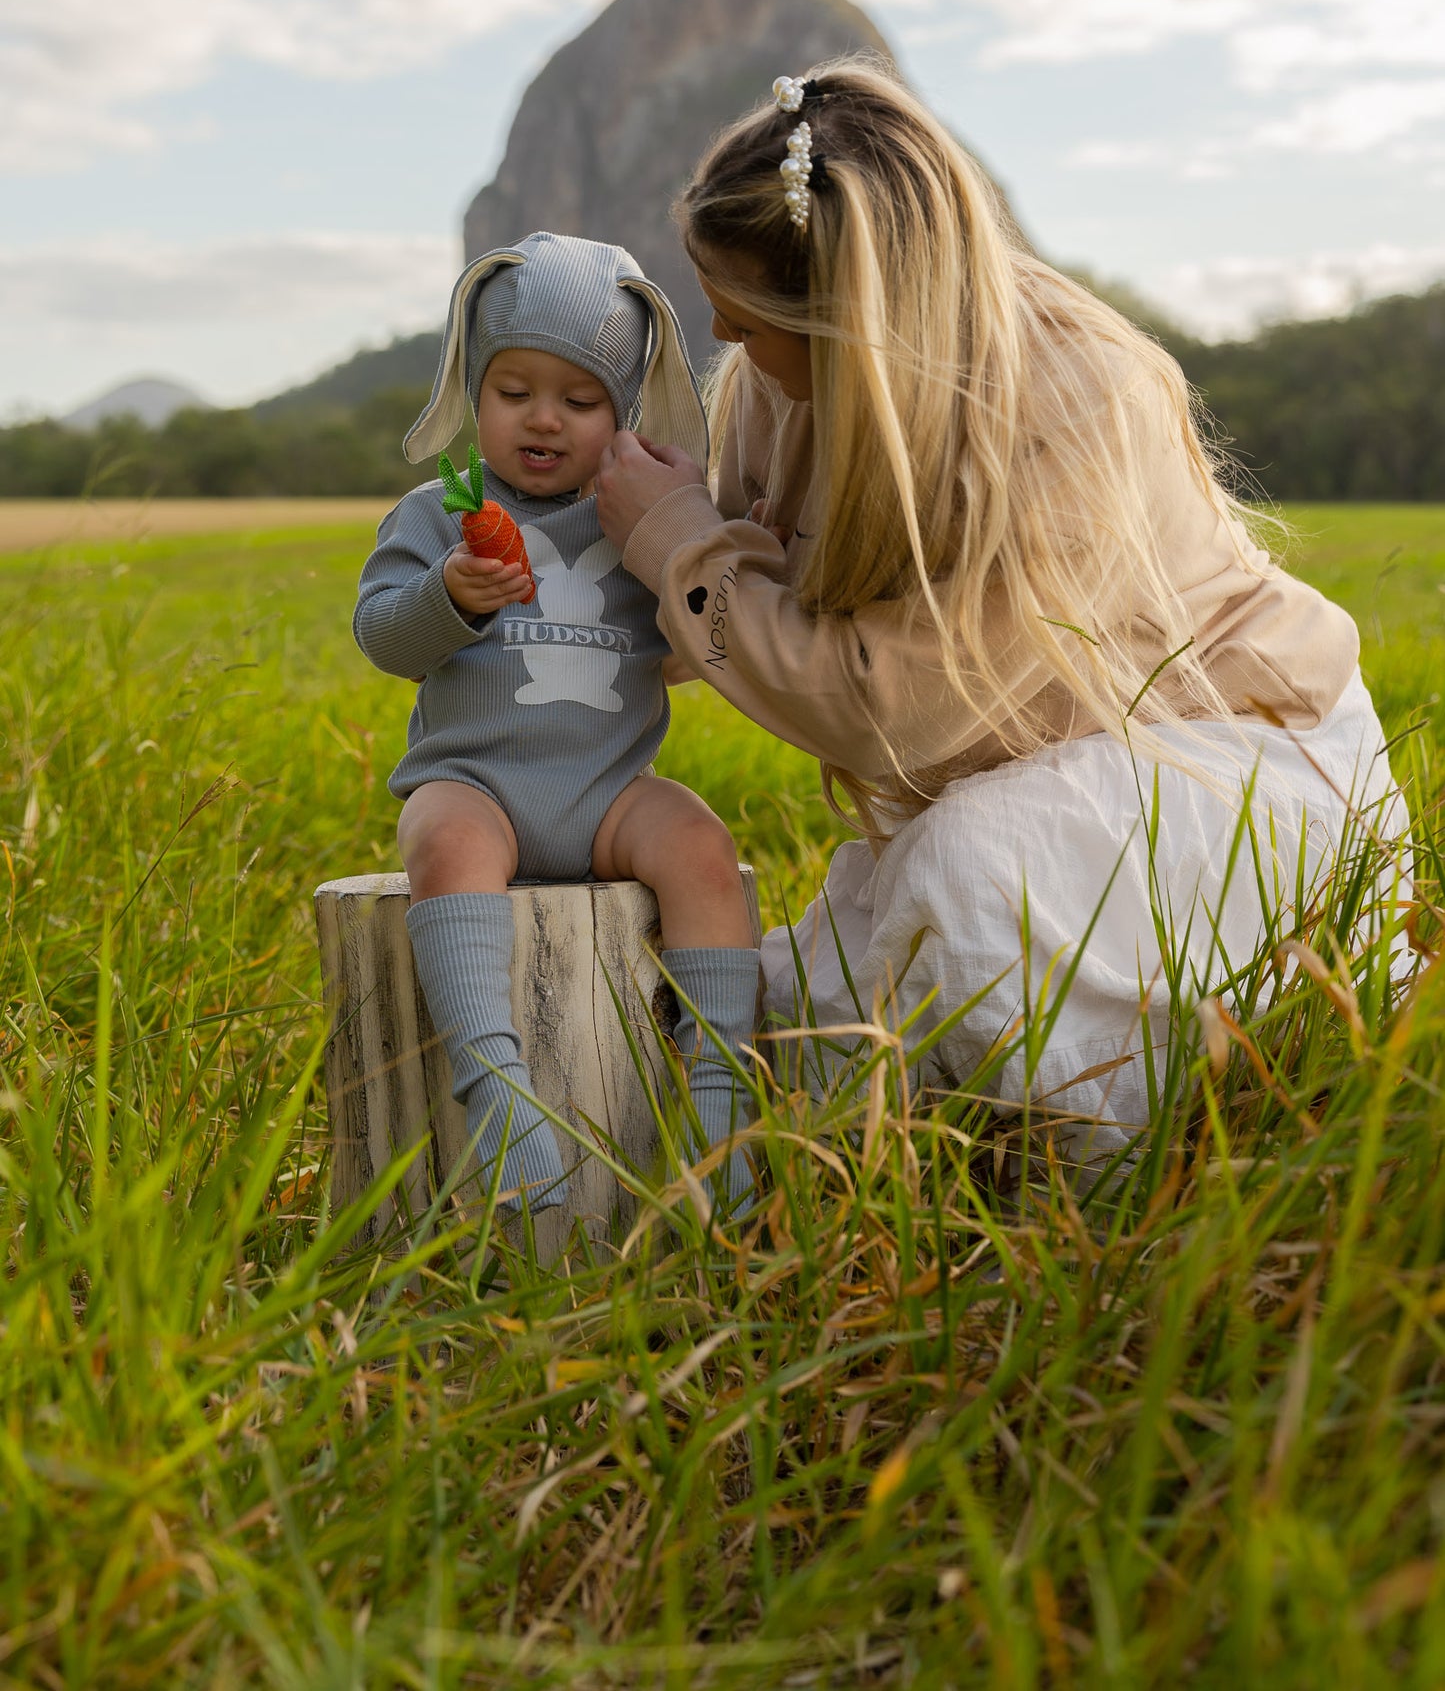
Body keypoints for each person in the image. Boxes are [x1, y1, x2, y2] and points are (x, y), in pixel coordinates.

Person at [593, 61, 1407, 1157]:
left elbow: (889, 710)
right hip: (1044, 776)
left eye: (744, 316)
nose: (720, 335)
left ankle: (1128, 1186)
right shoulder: (784, 386)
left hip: (1234, 767)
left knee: (968, 879)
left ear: (847, 311)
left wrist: (672, 540)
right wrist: (555, 578)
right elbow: (733, 599)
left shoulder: (1072, 394)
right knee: (786, 1011)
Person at [355, 231, 757, 1217]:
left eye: (579, 399)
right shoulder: (436, 514)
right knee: (443, 841)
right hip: (479, 783)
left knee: (703, 846)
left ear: (621, 410)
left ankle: (721, 1100)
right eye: (513, 391)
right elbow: (382, 637)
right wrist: (449, 595)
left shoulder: (633, 515)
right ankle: (494, 1089)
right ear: (471, 390)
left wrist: (683, 533)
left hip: (607, 791)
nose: (543, 419)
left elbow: (702, 632)